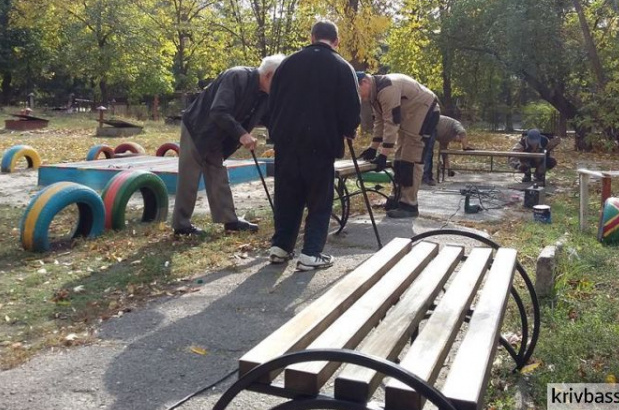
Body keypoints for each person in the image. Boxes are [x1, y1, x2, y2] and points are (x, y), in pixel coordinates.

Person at [267, 20, 361, 271]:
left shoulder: (287, 63)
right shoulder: (343, 67)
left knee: (288, 195)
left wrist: (275, 132)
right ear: (336, 41)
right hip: (321, 143)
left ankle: (281, 246)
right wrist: (349, 129)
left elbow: (272, 101)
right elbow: (352, 108)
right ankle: (310, 253)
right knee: (319, 199)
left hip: (286, 142)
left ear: (312, 37)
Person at [172, 54, 286, 237]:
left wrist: (286, 139)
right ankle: (181, 225)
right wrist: (242, 134)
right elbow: (218, 110)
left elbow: (271, 120)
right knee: (189, 174)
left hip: (218, 133)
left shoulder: (265, 95)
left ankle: (229, 221)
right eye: (280, 80)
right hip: (198, 126)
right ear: (268, 75)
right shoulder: (236, 76)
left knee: (217, 172)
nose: (282, 87)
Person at [357, 72, 440, 218]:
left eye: (356, 90)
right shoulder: (375, 93)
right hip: (410, 116)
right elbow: (380, 121)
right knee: (400, 159)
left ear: (365, 82)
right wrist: (373, 148)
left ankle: (409, 205)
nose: (357, 95)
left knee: (411, 159)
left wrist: (383, 154)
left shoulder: (387, 88)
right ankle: (397, 198)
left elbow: (391, 121)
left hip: (424, 111)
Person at [422, 115, 470, 185]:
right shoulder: (456, 124)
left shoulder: (447, 137)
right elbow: (463, 132)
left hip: (434, 127)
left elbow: (444, 154)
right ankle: (425, 178)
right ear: (457, 135)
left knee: (429, 153)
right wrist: (465, 146)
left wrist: (449, 170)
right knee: (428, 153)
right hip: (431, 123)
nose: (457, 141)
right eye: (459, 140)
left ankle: (428, 177)